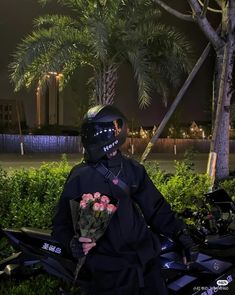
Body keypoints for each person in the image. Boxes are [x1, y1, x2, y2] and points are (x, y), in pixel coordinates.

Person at [52, 105, 198, 295]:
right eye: (90, 131)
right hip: (107, 273)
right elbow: (60, 224)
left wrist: (181, 235)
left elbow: (156, 208)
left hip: (145, 265)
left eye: (99, 131)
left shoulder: (132, 169)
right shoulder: (80, 177)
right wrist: (73, 244)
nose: (93, 136)